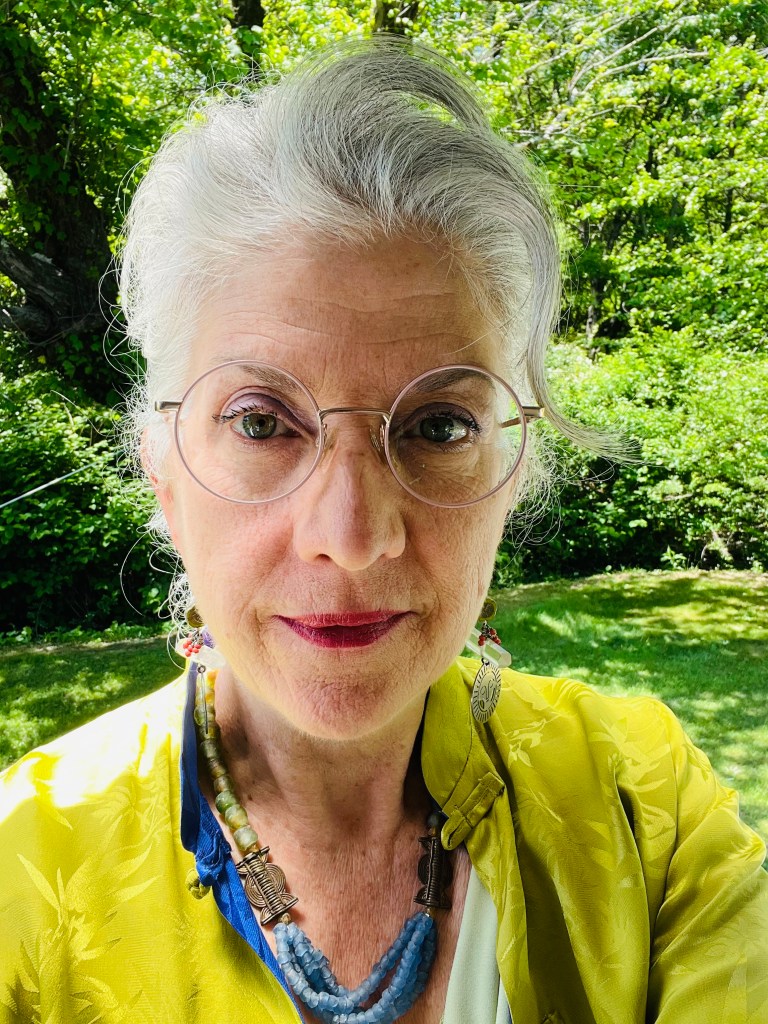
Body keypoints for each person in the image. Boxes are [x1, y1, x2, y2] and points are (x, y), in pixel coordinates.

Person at [1, 35, 766, 1024]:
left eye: (438, 425)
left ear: (515, 468)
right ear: (164, 474)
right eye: (262, 423)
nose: (354, 536)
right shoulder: (26, 867)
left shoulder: (642, 809)